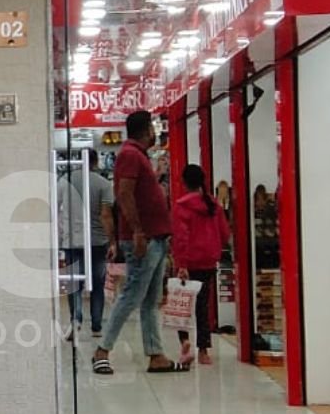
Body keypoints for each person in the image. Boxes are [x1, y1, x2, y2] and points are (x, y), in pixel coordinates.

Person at [92, 109, 187, 376]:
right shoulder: (130, 155)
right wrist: (137, 232)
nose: (156, 132)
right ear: (146, 130)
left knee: (150, 300)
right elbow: (124, 194)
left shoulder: (138, 155)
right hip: (144, 239)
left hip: (155, 238)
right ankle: (102, 350)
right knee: (132, 295)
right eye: (153, 127)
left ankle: (156, 354)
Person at [172, 163, 231, 367]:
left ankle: (185, 342)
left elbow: (181, 237)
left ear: (184, 182)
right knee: (202, 306)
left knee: (182, 305)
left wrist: (181, 263)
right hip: (208, 262)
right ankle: (204, 351)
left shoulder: (181, 206)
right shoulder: (213, 205)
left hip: (188, 263)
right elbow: (225, 233)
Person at [55, 157, 114, 338]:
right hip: (98, 241)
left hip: (72, 240)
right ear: (96, 162)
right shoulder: (104, 183)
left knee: (74, 283)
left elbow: (55, 208)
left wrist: (59, 234)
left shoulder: (65, 180)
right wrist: (112, 241)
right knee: (97, 283)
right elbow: (106, 215)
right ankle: (96, 326)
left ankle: (76, 321)